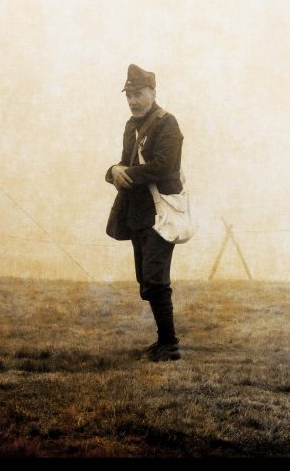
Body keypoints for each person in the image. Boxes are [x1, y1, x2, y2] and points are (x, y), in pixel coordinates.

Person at [105, 64, 184, 362]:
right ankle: (164, 341)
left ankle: (170, 345)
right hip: (138, 214)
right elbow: (125, 161)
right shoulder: (131, 126)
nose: (133, 101)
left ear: (153, 93)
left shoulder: (167, 123)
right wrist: (113, 171)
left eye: (138, 94)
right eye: (129, 96)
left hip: (161, 214)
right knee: (146, 280)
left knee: (155, 279)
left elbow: (164, 166)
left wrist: (127, 173)